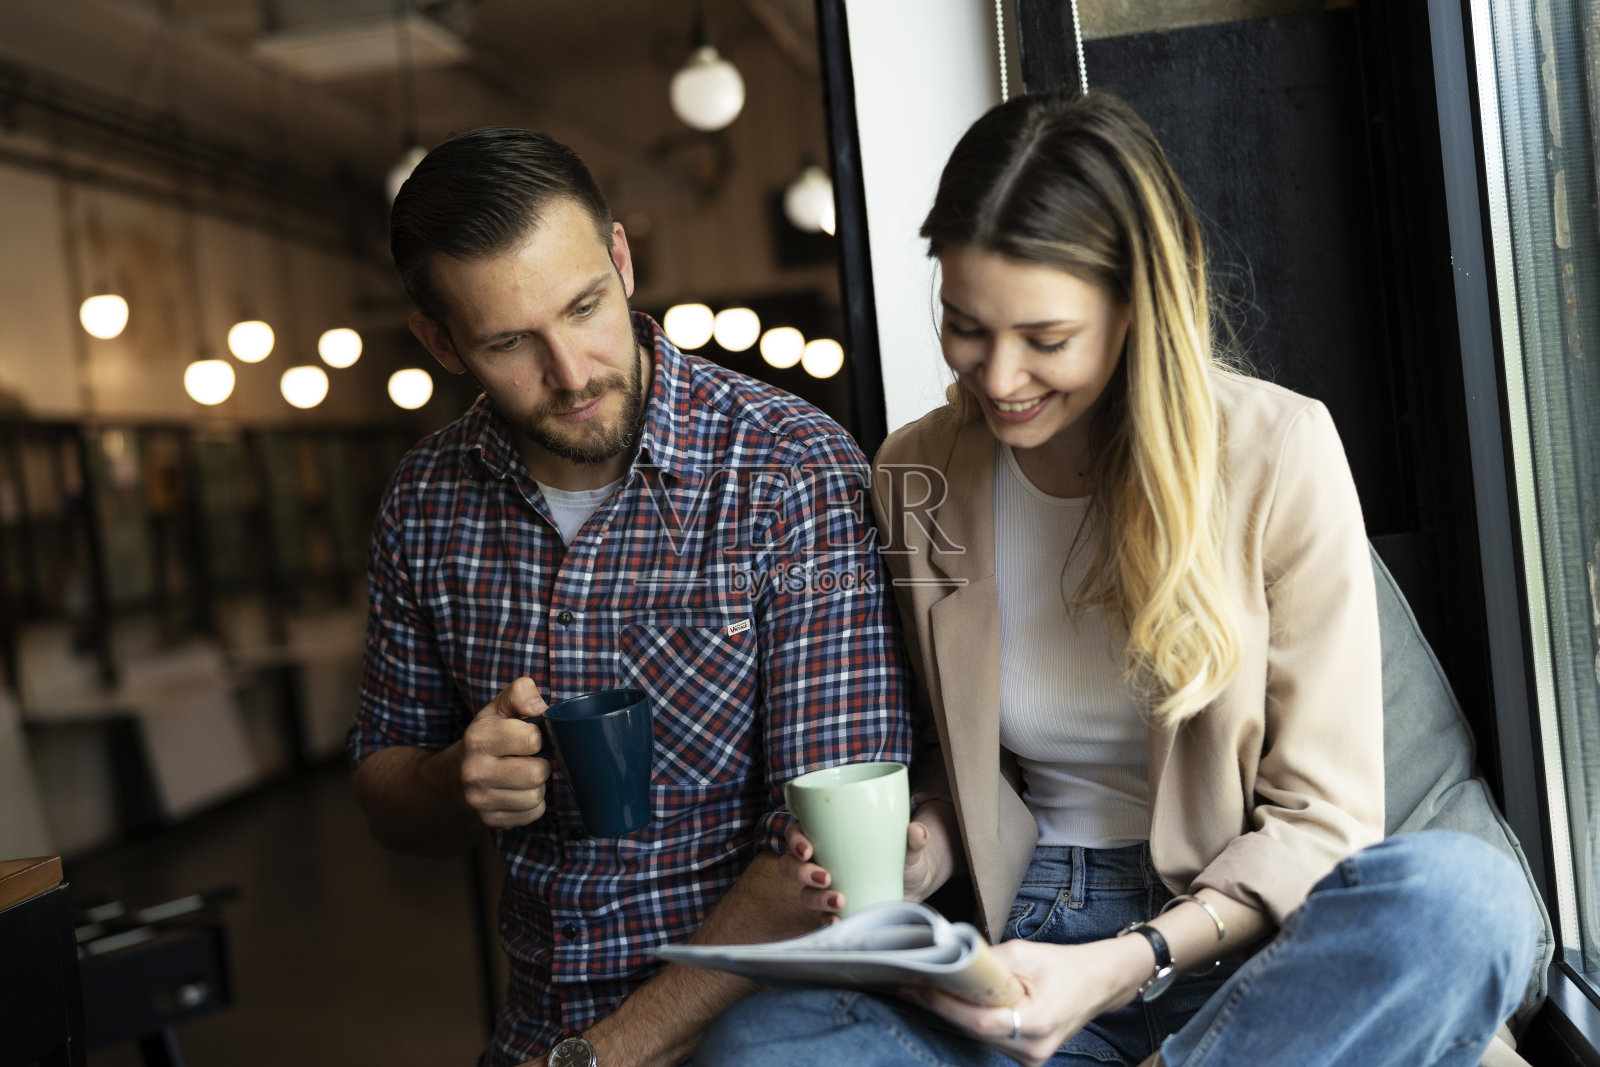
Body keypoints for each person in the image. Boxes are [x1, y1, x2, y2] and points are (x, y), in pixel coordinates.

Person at [695, 90, 1538, 1067]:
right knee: (764, 1039)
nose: (998, 375)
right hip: (1027, 951)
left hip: (1243, 946)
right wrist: (918, 844)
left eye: (1045, 340)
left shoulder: (1275, 451)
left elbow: (1322, 821)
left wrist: (1123, 960)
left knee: (1464, 900)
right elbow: (967, 757)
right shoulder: (915, 472)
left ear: (1136, 306)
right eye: (965, 325)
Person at [348, 126, 911, 1067]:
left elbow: (826, 866)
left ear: (620, 256)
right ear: (440, 343)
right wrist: (454, 780)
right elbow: (384, 787)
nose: (570, 373)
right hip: (540, 1033)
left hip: (775, 1037)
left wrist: (598, 1057)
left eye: (583, 307)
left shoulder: (787, 471)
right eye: (509, 342)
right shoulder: (426, 502)